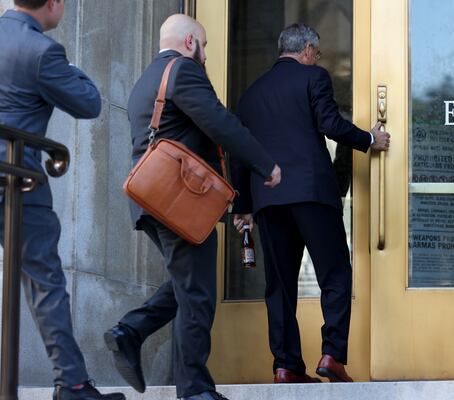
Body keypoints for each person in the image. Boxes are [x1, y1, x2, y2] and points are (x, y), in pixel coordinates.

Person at [103, 14, 281, 400]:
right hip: (180, 204)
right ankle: (195, 390)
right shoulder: (183, 71)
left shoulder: (146, 79)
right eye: (204, 46)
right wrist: (265, 163)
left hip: (153, 203)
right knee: (197, 295)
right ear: (189, 43)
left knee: (188, 283)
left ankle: (130, 332)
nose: (205, 55)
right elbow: (220, 123)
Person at [230, 23, 390, 384]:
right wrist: (370, 138)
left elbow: (237, 153)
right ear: (307, 50)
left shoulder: (251, 95)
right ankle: (332, 355)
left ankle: (285, 366)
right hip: (312, 193)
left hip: (268, 200)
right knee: (334, 274)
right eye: (316, 53)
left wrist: (243, 206)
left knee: (280, 285)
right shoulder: (313, 77)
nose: (317, 58)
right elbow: (330, 124)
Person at [0, 1, 125, 399]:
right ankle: (71, 384)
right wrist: (69, 66)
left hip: (16, 175)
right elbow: (88, 103)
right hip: (17, 182)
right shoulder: (42, 52)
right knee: (45, 285)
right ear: (52, 4)